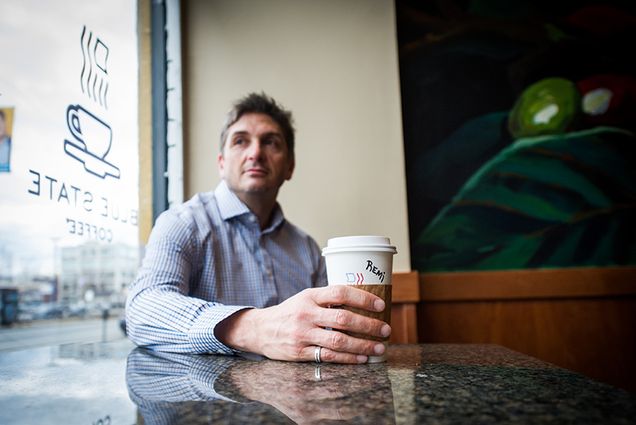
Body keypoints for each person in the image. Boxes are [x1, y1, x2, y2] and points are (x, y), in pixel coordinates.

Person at [126, 93, 391, 364]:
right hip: (206, 402)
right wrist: (255, 328)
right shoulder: (182, 224)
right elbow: (142, 310)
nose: (255, 153)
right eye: (240, 141)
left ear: (290, 166)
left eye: (271, 142)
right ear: (221, 163)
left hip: (295, 402)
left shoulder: (308, 249)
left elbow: (329, 336)